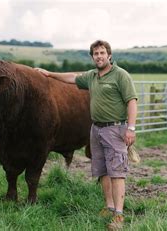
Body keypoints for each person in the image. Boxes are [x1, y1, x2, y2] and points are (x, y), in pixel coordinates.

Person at [35, 40, 137, 230]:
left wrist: (131, 128)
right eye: (95, 54)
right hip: (96, 129)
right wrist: (49, 74)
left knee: (117, 172)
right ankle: (109, 206)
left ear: (109, 56)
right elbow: (72, 78)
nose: (99, 56)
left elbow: (131, 101)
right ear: (92, 57)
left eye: (102, 53)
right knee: (103, 170)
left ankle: (119, 216)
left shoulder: (121, 75)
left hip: (115, 129)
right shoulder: (92, 76)